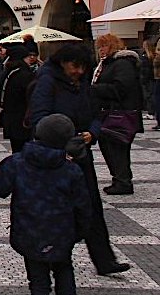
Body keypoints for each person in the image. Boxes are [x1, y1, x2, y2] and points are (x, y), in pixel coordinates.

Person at [29, 42, 130, 276]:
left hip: (82, 155)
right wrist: (59, 140)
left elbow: (96, 113)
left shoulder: (83, 84)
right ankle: (53, 259)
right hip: (57, 159)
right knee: (58, 212)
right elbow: (39, 118)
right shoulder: (48, 82)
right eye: (75, 66)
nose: (79, 71)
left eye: (83, 67)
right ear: (63, 63)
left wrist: (92, 133)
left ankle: (105, 260)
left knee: (93, 208)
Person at [0, 114, 91, 295]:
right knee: (64, 271)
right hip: (62, 233)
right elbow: (83, 205)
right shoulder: (71, 169)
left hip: (28, 231)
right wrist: (79, 232)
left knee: (38, 279)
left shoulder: (17, 163)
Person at [91, 33, 142, 194]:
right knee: (110, 146)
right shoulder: (108, 64)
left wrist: (94, 90)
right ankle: (119, 179)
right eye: (99, 47)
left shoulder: (122, 64)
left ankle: (123, 182)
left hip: (120, 113)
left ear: (113, 46)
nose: (101, 50)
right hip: (110, 112)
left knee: (117, 147)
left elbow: (121, 88)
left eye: (104, 46)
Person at [0, 42, 39, 153]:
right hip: (22, 120)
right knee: (25, 151)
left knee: (16, 150)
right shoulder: (24, 75)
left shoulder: (8, 73)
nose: (29, 59)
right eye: (27, 57)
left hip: (10, 119)